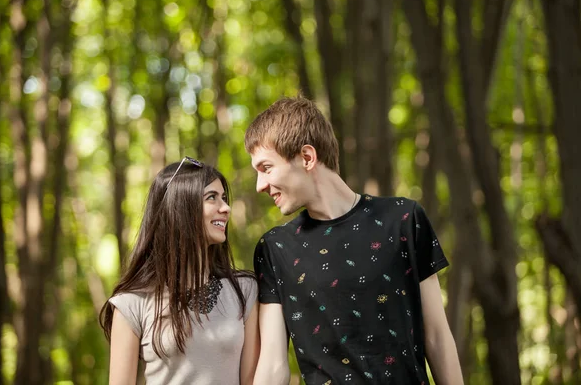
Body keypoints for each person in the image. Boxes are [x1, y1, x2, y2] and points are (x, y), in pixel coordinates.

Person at [245, 97, 463, 384]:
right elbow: (273, 364)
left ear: (307, 158)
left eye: (266, 168)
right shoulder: (275, 248)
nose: (260, 185)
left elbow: (437, 336)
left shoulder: (403, 219)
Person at [99, 157, 260, 385]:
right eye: (212, 198)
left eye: (224, 198)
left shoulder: (244, 290)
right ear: (181, 206)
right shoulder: (131, 302)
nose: (226, 208)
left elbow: (252, 380)